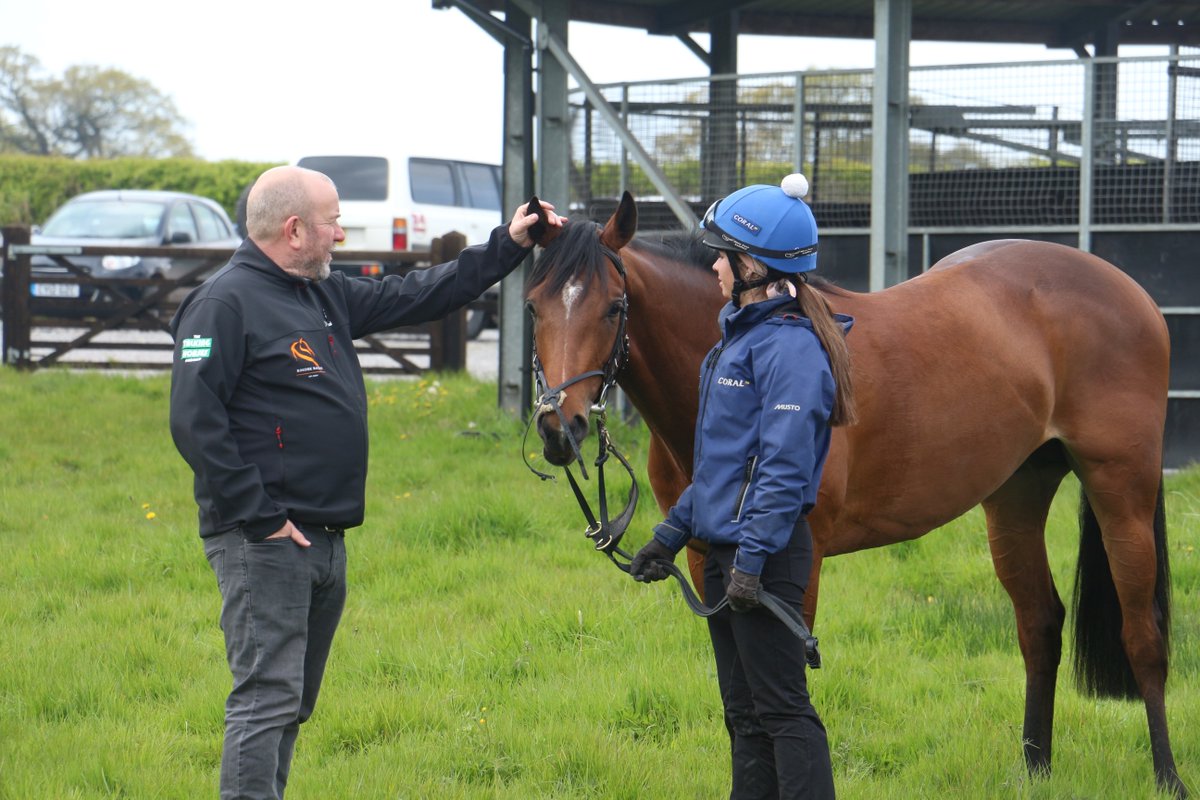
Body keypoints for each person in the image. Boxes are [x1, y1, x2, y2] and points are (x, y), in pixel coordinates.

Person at [168, 165, 562, 800]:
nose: (341, 235)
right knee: (266, 700)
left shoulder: (319, 293)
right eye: (332, 222)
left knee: (290, 703)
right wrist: (262, 516)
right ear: (295, 230)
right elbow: (194, 421)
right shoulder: (224, 303)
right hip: (265, 538)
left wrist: (509, 244)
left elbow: (421, 293)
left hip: (324, 536)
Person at [629, 173, 854, 800]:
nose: (714, 266)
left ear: (752, 264)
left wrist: (752, 564)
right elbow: (721, 468)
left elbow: (782, 473)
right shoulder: (733, 342)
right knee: (742, 713)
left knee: (783, 711)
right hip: (728, 557)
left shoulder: (791, 352)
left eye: (721, 254)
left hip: (766, 559)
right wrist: (669, 536)